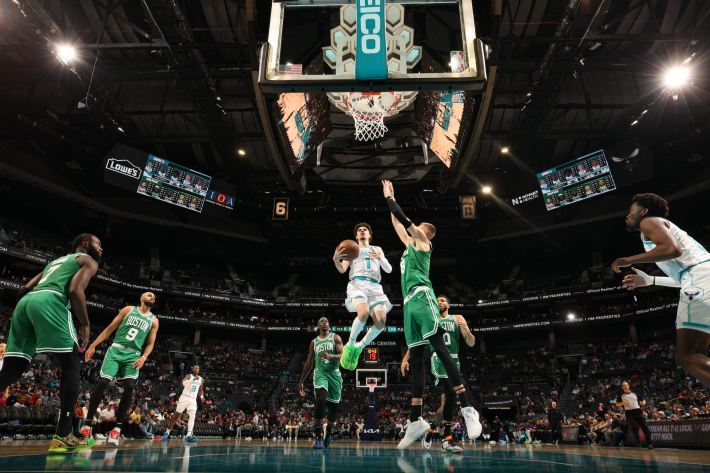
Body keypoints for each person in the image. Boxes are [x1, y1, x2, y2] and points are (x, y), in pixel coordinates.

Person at [381, 180, 481, 450]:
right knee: (415, 359)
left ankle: (468, 409)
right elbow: (397, 223)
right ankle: (415, 422)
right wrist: (388, 203)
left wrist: (392, 199)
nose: (413, 229)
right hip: (408, 304)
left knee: (439, 348)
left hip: (423, 296)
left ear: (425, 232)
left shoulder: (423, 242)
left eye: (418, 227)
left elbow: (404, 219)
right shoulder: (408, 247)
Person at [0, 233, 101, 453]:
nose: (101, 249)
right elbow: (75, 290)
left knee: (11, 371)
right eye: (98, 244)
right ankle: (63, 435)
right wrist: (85, 323)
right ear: (85, 245)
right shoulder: (87, 260)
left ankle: (69, 432)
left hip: (26, 302)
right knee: (72, 365)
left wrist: (28, 312)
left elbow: (24, 289)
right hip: (51, 300)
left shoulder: (54, 262)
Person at [614, 194, 710, 388]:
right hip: (700, 278)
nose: (627, 216)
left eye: (631, 211)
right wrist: (651, 280)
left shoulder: (648, 222)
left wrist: (628, 259)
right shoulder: (664, 227)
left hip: (700, 279)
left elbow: (672, 249)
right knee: (695, 355)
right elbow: (682, 277)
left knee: (687, 356)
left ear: (644, 211)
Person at [83, 292, 159, 445]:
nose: (153, 297)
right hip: (116, 350)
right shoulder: (128, 310)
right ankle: (86, 425)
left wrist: (144, 357)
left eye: (154, 297)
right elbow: (109, 328)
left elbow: (150, 343)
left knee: (130, 386)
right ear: (141, 298)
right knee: (103, 382)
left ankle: (116, 430)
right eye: (149, 295)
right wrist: (93, 344)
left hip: (133, 355)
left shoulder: (154, 320)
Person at [412, 295, 475, 453]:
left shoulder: (457, 318)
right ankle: (447, 439)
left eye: (442, 301)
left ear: (448, 304)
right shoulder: (431, 319)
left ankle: (431, 430)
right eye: (437, 301)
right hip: (438, 360)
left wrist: (466, 329)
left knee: (446, 402)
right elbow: (416, 343)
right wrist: (406, 359)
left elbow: (471, 342)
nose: (439, 302)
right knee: (452, 393)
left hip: (454, 361)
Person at [333, 223, 393, 370]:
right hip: (358, 284)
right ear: (356, 236)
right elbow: (342, 269)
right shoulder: (351, 249)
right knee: (364, 313)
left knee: (381, 321)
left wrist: (380, 258)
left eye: (365, 230)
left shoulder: (377, 249)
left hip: (374, 287)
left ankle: (359, 347)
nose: (362, 231)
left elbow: (389, 270)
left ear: (369, 235)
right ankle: (351, 344)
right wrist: (336, 260)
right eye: (359, 230)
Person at [298, 317, 343, 449]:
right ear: (318, 326)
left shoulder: (336, 338)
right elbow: (308, 363)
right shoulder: (314, 342)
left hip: (334, 373)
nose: (324, 322)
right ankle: (317, 437)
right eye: (322, 321)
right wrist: (301, 380)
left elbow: (343, 355)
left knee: (333, 411)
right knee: (321, 399)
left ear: (329, 325)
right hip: (320, 372)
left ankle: (328, 430)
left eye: (326, 321)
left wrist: (331, 356)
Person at [162, 365, 205, 442]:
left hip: (193, 399)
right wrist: (192, 380)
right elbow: (182, 383)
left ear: (199, 370)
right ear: (193, 370)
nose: (196, 369)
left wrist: (202, 397)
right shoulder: (189, 376)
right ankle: (167, 432)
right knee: (176, 416)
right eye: (195, 367)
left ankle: (188, 435)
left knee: (192, 415)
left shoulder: (201, 379)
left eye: (198, 368)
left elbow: (200, 389)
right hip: (184, 398)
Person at [615, 381, 653, 449]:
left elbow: (643, 400)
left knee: (645, 427)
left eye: (625, 385)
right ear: (622, 387)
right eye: (623, 385)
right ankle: (637, 442)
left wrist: (643, 403)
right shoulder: (621, 395)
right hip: (629, 413)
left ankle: (649, 443)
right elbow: (617, 404)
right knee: (634, 427)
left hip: (638, 412)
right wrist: (622, 403)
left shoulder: (635, 394)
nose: (624, 386)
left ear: (628, 386)